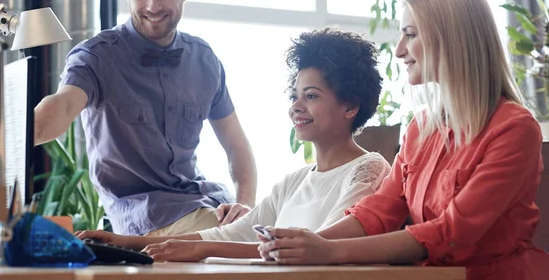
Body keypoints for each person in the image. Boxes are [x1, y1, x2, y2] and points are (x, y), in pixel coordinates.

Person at [257, 0, 549, 280]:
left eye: (410, 35)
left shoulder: (515, 128)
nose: (398, 51)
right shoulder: (420, 129)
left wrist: (328, 251)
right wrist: (307, 244)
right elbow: (377, 213)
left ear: (452, 39)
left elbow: (452, 232)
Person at [75, 28, 391, 262]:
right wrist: (122, 241)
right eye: (294, 95)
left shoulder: (369, 168)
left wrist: (206, 247)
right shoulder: (294, 181)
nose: (295, 106)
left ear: (350, 106)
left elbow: (316, 246)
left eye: (311, 96)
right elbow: (229, 234)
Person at [34, 0, 257, 236]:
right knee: (244, 243)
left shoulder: (204, 60)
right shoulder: (97, 58)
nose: (152, 6)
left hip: (206, 203)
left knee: (282, 235)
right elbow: (62, 106)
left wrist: (244, 202)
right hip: (145, 217)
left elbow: (236, 144)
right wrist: (14, 136)